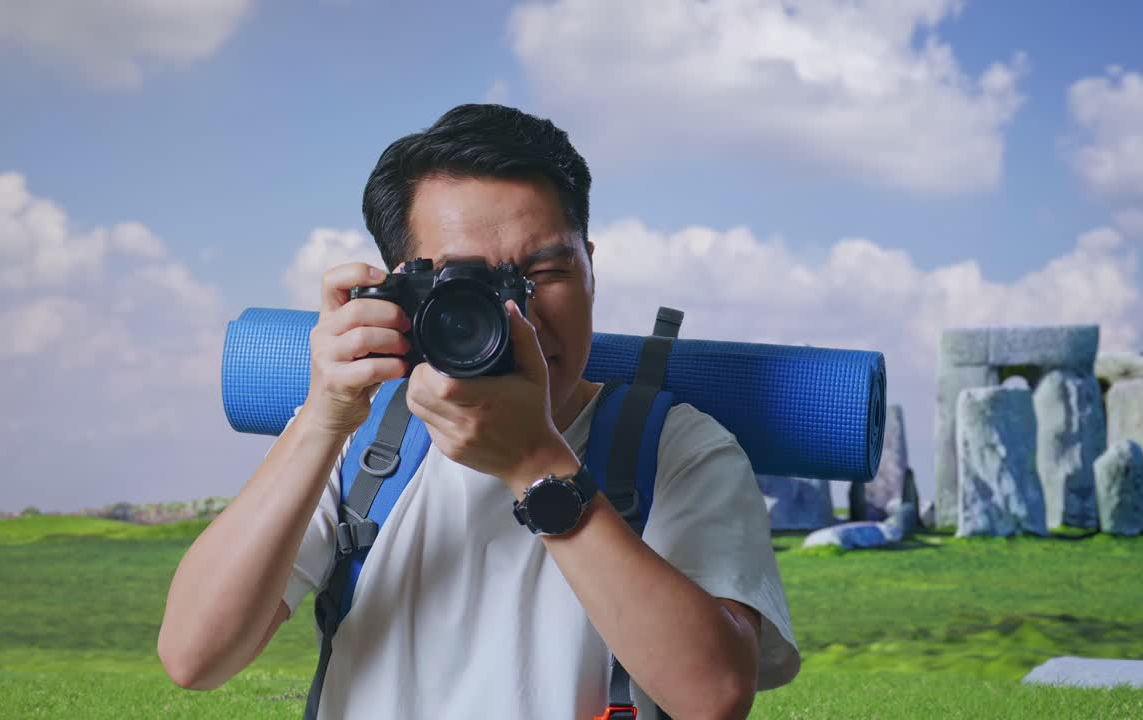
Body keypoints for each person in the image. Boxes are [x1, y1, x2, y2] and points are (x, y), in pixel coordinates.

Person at [158, 103, 801, 718]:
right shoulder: (363, 438)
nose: (515, 316)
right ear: (404, 290)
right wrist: (323, 419)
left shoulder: (678, 449)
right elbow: (195, 656)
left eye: (546, 272)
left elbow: (713, 697)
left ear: (590, 268)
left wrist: (536, 463)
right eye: (472, 287)